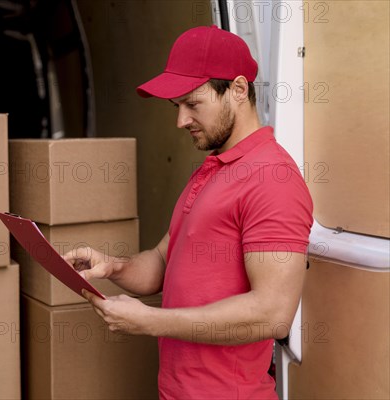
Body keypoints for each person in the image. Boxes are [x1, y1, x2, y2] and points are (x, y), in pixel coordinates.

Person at [64, 25, 314, 400]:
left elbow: (272, 312)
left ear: (239, 89)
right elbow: (164, 261)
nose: (180, 121)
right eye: (176, 107)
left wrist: (152, 322)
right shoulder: (212, 170)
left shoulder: (272, 178)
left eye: (193, 104)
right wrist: (111, 266)